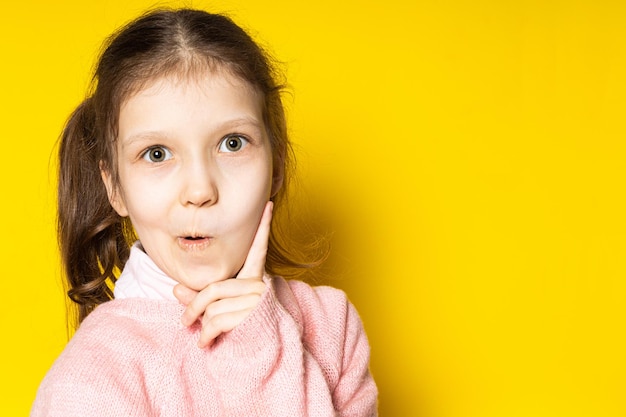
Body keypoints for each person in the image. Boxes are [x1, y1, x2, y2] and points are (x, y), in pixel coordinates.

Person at [31, 7, 377, 416]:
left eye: (232, 143)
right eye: (156, 154)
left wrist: (263, 349)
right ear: (115, 187)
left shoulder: (329, 324)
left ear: (278, 165)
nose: (199, 191)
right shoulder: (90, 377)